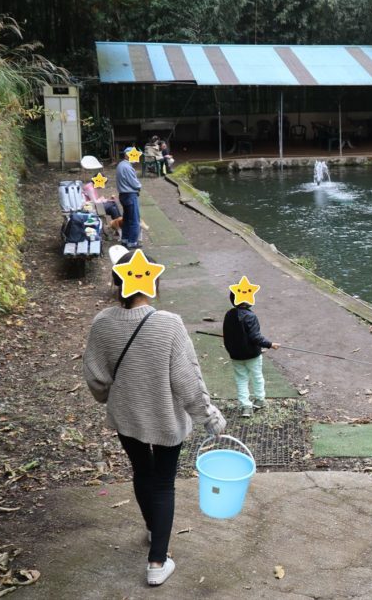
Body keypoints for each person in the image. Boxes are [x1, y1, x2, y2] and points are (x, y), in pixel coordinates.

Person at [83, 249, 226, 587]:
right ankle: (157, 561)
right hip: (165, 417)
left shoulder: (103, 323)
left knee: (142, 472)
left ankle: (152, 528)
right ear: (153, 282)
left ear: (118, 283)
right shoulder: (169, 325)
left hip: (126, 415)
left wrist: (108, 397)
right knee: (163, 482)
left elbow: (94, 375)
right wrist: (208, 416)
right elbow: (187, 380)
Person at [222, 276, 280, 418]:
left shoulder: (229, 315)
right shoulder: (251, 317)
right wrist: (270, 344)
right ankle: (259, 399)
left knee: (241, 379)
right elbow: (255, 337)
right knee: (257, 377)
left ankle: (245, 407)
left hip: (236, 355)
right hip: (252, 355)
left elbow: (227, 335)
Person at [116, 147, 143, 248]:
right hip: (130, 195)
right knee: (135, 220)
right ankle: (132, 242)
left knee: (127, 219)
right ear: (128, 155)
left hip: (123, 195)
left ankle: (125, 239)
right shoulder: (127, 167)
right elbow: (135, 183)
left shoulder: (121, 165)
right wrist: (139, 186)